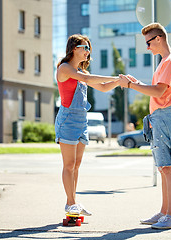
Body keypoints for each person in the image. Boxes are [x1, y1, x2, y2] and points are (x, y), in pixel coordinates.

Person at [119, 23, 171, 229]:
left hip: (164, 116)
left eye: (148, 43)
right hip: (160, 117)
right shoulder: (166, 62)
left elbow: (158, 92)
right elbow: (157, 90)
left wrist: (131, 85)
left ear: (158, 39)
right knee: (164, 168)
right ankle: (165, 212)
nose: (147, 47)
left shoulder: (169, 61)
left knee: (168, 168)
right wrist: (137, 82)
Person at [55, 34, 120, 216]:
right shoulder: (65, 68)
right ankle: (71, 203)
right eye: (85, 48)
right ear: (74, 48)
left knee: (76, 164)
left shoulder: (82, 74)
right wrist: (114, 76)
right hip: (67, 120)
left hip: (82, 120)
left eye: (89, 49)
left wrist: (119, 81)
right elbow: (91, 81)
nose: (88, 52)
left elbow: (104, 87)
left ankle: (73, 202)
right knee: (68, 165)